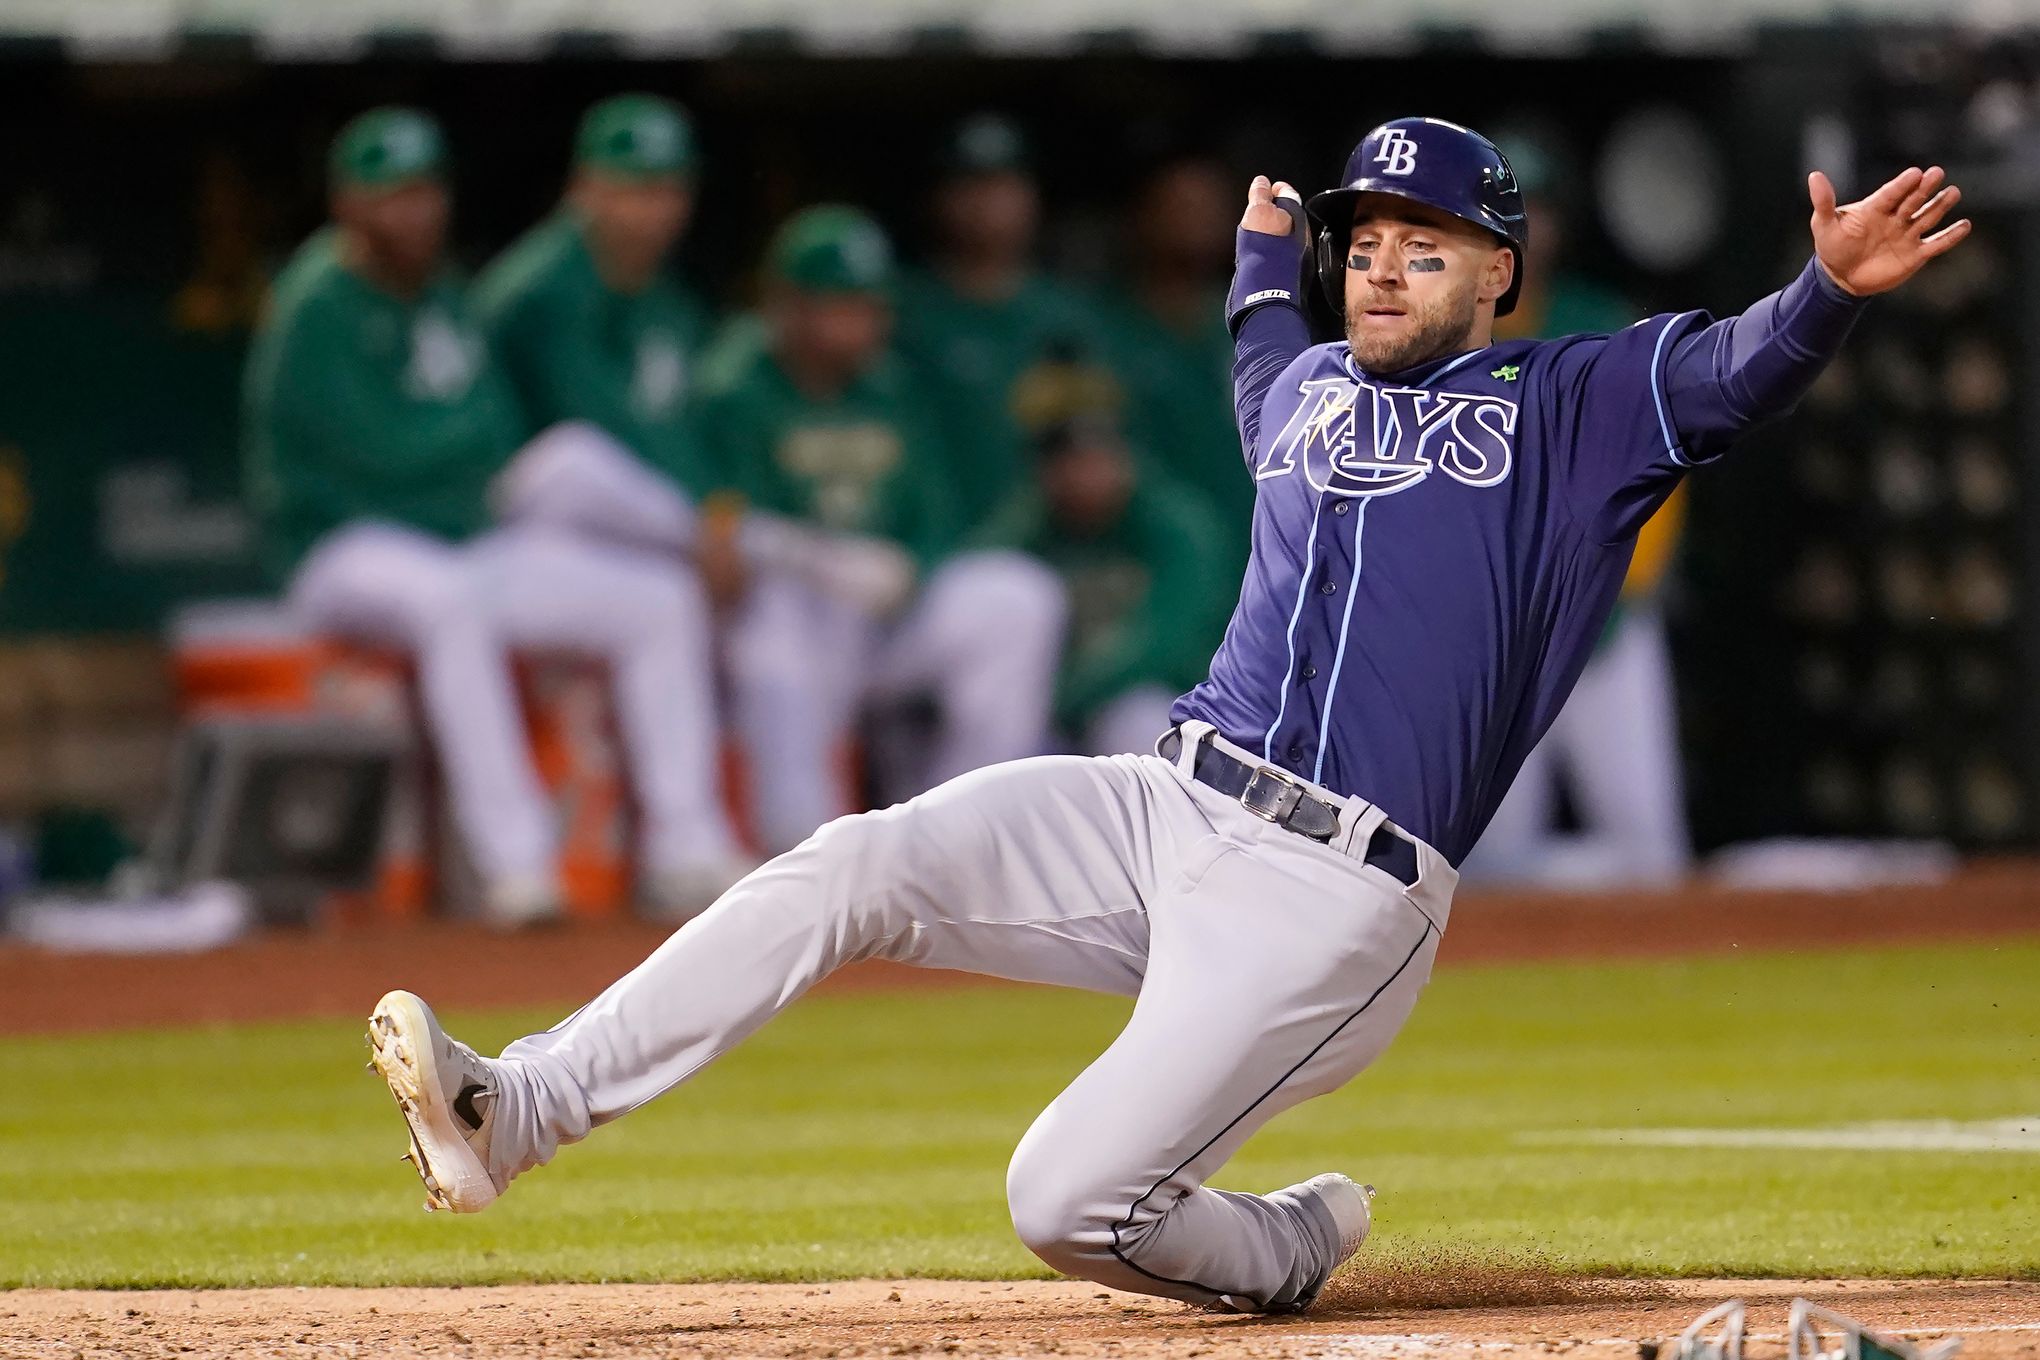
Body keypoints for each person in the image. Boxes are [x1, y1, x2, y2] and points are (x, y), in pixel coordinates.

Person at [366, 116, 1965, 1312]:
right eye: (1368, 239)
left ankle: (1278, 1249)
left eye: (1427, 241)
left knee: (1062, 1201)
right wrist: (1269, 255)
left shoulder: (1574, 406)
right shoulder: (1302, 385)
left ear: (1502, 272)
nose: (1386, 263)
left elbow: (1742, 370)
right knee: (851, 862)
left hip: (1339, 898)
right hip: (1165, 802)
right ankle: (522, 1109)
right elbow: (1260, 326)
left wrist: (1823, 293)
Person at [244, 107, 751, 926]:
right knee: (453, 601)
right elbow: (381, 456)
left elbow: (495, 430)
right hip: (345, 545)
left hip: (456, 539)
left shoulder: (445, 294)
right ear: (348, 205)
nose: (413, 213)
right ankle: (514, 868)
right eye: (391, 196)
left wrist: (471, 470)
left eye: (424, 193)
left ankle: (686, 852)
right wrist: (468, 468)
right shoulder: (318, 304)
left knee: (657, 600)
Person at [693, 205, 1066, 853]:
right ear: (790, 305)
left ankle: (961, 840)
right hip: (784, 617)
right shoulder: (734, 385)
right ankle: (801, 855)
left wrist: (910, 569)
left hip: (879, 613)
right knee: (776, 627)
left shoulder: (890, 386)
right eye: (842, 305)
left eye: (868, 305)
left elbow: (936, 518)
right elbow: (721, 516)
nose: (862, 322)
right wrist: (823, 560)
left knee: (1017, 597)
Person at [1466, 129, 1691, 887]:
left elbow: (1660, 466)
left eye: (1534, 211)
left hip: (1605, 624)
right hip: (1486, 639)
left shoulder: (1603, 322)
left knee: (1650, 848)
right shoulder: (1433, 332)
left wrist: (1610, 588)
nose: (1521, 229)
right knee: (1488, 862)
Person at [973, 360, 1234, 756]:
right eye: (1069, 463)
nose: (1086, 475)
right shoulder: (1032, 522)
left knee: (1143, 723)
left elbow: (1162, 645)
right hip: (1045, 707)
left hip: (1143, 695)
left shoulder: (1176, 527)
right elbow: (978, 577)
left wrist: (1066, 698)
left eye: (1099, 459)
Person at [473, 94, 713, 493]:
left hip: (654, 516)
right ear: (585, 187)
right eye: (638, 190)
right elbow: (598, 428)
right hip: (542, 513)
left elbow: (688, 430)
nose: (658, 210)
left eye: (672, 190)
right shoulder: (540, 292)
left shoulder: (668, 302)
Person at [893, 114, 1099, 530]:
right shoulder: (902, 311)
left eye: (1004, 184)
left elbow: (1094, 450)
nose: (988, 202)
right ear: (940, 198)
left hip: (1040, 549)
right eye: (970, 185)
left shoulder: (1063, 317)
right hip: (924, 538)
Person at [1094, 152, 1252, 564]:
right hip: (1143, 553)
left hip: (1250, 545)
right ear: (1143, 217)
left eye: (1209, 209)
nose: (1196, 222)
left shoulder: (1254, 326)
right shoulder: (1102, 330)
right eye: (1180, 208)